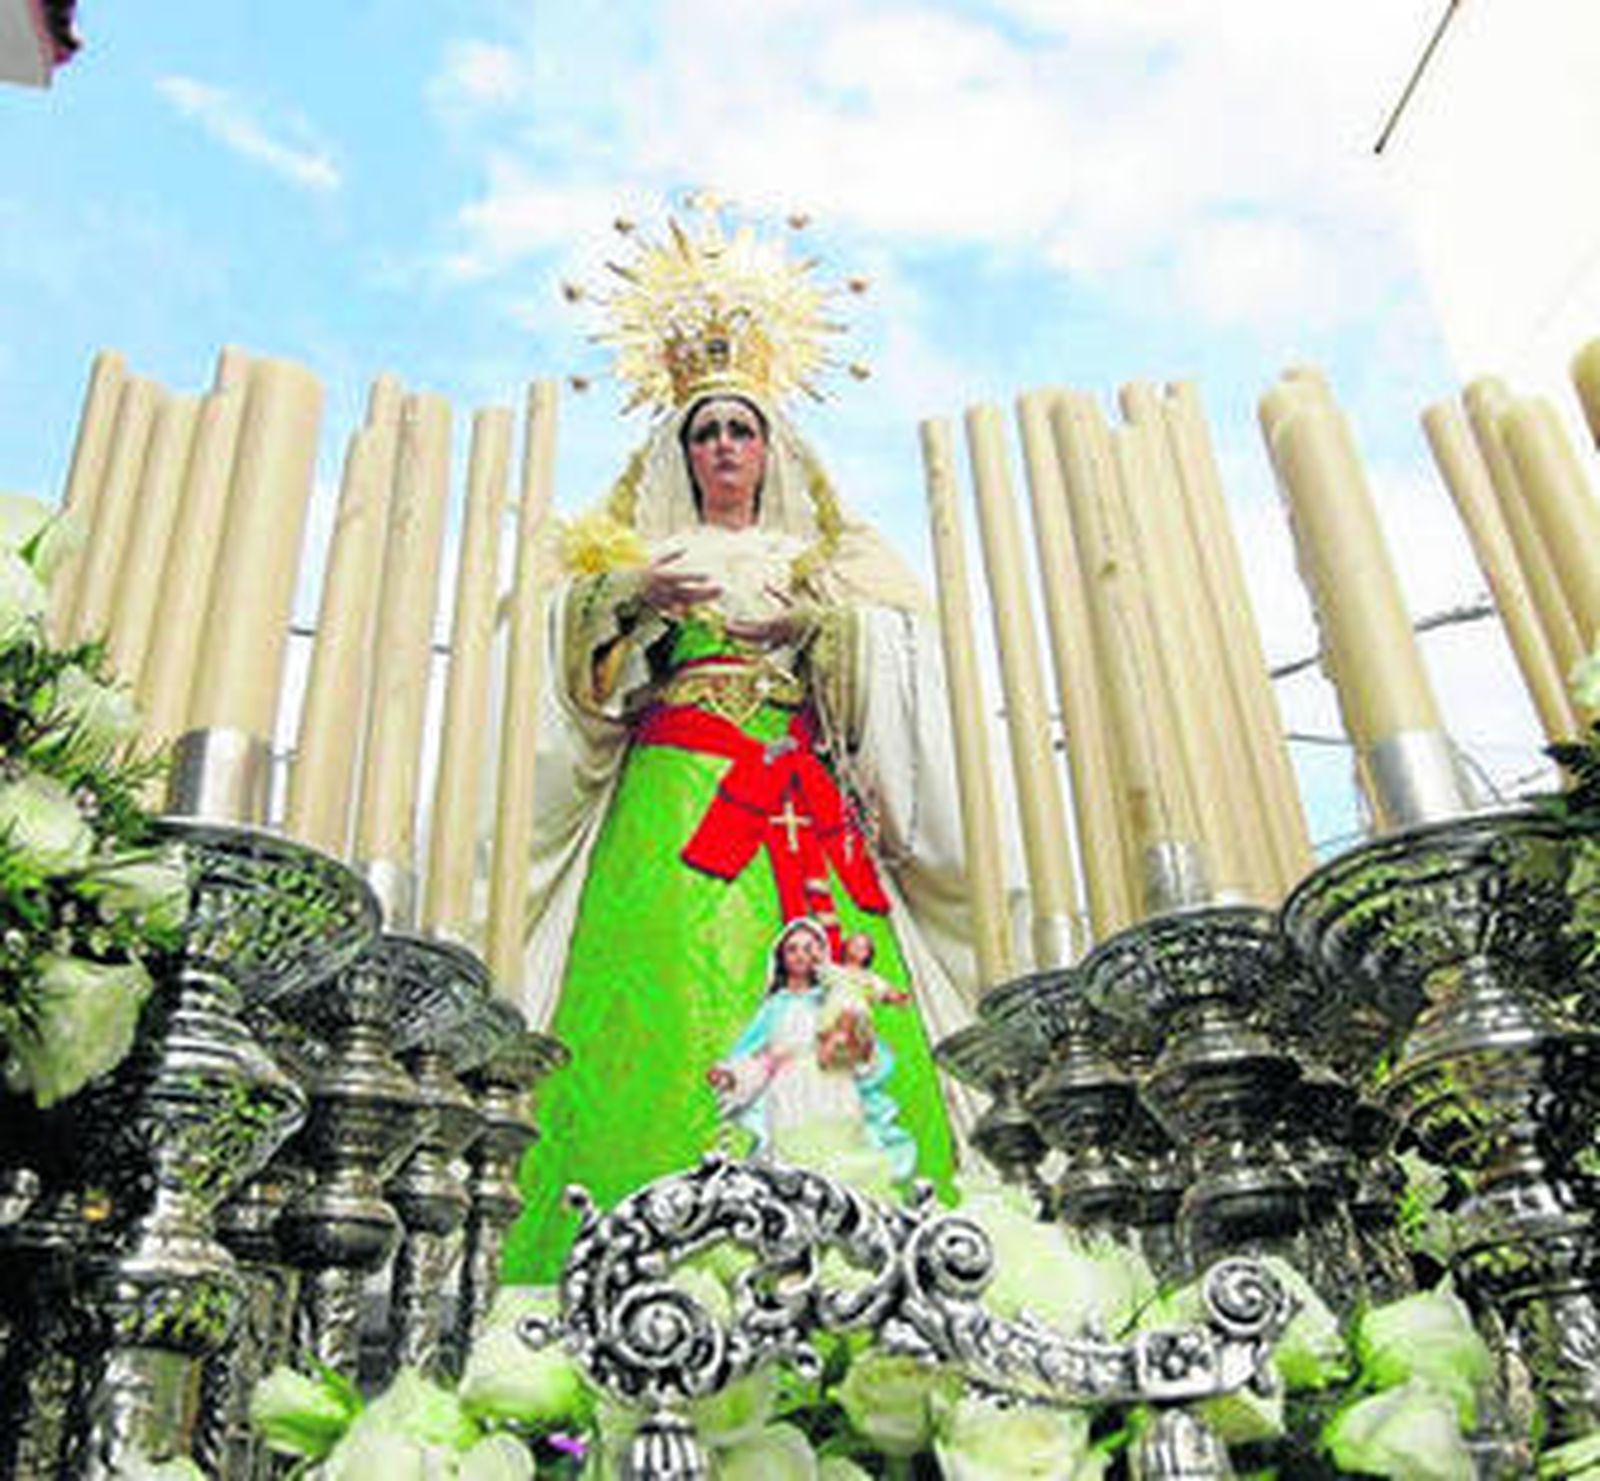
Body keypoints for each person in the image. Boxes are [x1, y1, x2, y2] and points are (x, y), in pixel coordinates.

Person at [503, 214, 977, 1281]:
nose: (723, 447)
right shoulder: (633, 551)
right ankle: (639, 1242)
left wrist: (827, 631)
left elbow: (915, 656)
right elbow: (543, 653)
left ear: (772, 446)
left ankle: (874, 1253)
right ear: (679, 451)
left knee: (841, 1002)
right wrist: (619, 601)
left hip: (806, 806)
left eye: (741, 430)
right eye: (704, 432)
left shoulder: (834, 556)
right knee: (667, 992)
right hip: (674, 802)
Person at [708, 918, 916, 1180]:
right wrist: (730, 1073)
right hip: (790, 1089)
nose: (800, 956)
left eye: (808, 948)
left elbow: (861, 1042)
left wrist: (856, 1042)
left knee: (838, 1152)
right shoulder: (775, 1006)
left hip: (834, 1085)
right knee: (793, 1156)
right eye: (792, 949)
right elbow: (751, 1050)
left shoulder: (831, 997)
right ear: (781, 958)